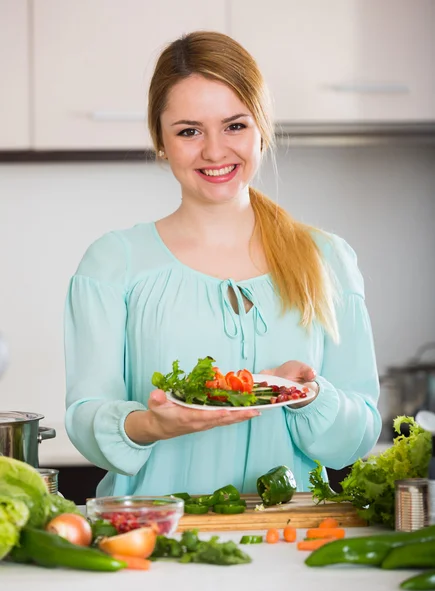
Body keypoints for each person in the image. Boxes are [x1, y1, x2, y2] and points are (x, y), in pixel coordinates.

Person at [64, 31, 382, 498]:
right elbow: (86, 418)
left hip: (292, 540)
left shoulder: (327, 259)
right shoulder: (114, 262)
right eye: (189, 131)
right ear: (161, 141)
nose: (214, 151)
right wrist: (150, 424)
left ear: (262, 130)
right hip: (157, 539)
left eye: (234, 126)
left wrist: (310, 398)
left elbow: (356, 438)